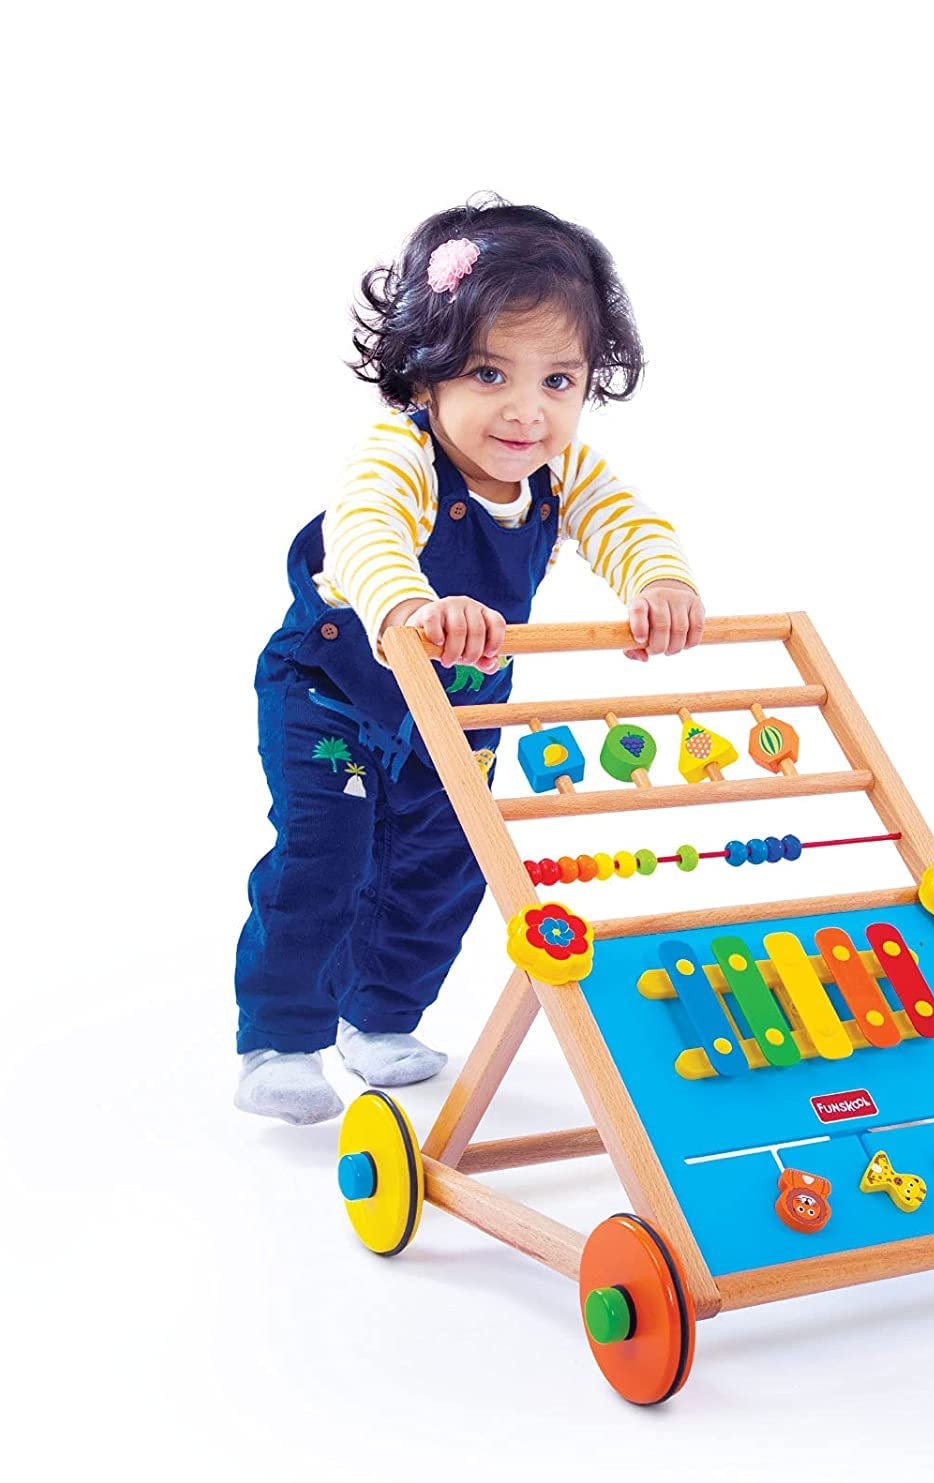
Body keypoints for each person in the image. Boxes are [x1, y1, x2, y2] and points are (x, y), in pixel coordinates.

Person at [234, 196, 705, 1124]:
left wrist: (659, 581)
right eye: (490, 373)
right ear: (425, 372)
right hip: (335, 696)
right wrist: (411, 606)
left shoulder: (563, 471)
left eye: (559, 380)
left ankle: (378, 1018)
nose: (528, 412)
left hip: (459, 711)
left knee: (445, 864)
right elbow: (363, 532)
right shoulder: (399, 455)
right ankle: (281, 1040)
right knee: (326, 856)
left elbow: (627, 523)